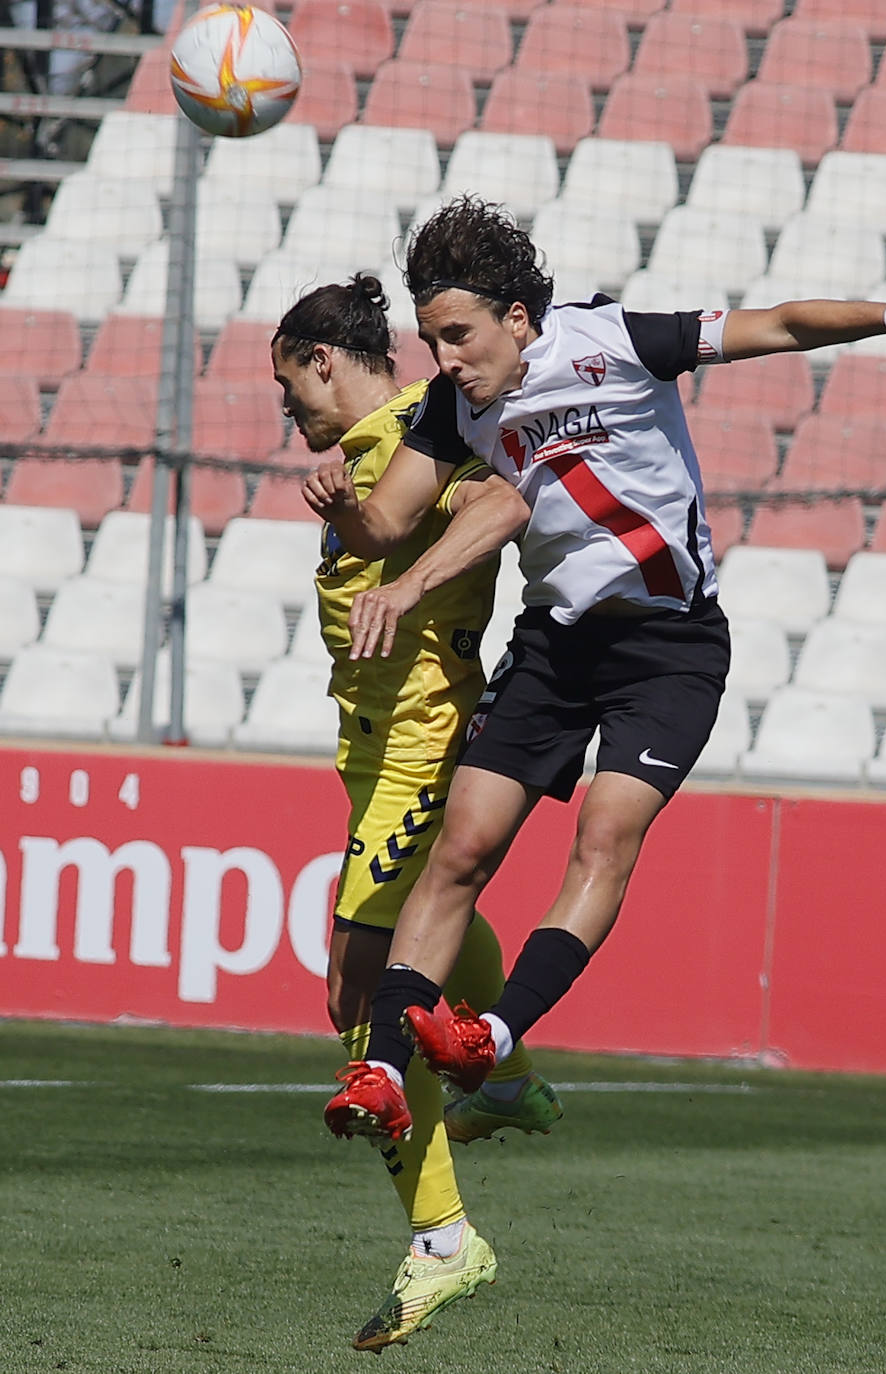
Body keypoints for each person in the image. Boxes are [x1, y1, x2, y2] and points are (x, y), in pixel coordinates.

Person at [313, 196, 886, 1138]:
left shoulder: (618, 338)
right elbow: (385, 523)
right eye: (433, 341)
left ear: (519, 319)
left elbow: (781, 325)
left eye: (461, 336)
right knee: (461, 849)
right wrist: (343, 506)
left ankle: (498, 1038)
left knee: (604, 840)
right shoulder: (451, 409)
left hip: (669, 647)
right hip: (557, 643)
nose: (447, 361)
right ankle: (385, 1070)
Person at [271, 272, 562, 1353]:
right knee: (428, 918)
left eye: (288, 383)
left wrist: (407, 571)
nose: (288, 410)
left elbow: (505, 494)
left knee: (357, 977)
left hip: (421, 741)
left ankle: (443, 1240)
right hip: (369, 740)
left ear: (325, 359)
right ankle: (515, 1078)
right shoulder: (367, 456)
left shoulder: (420, 430)